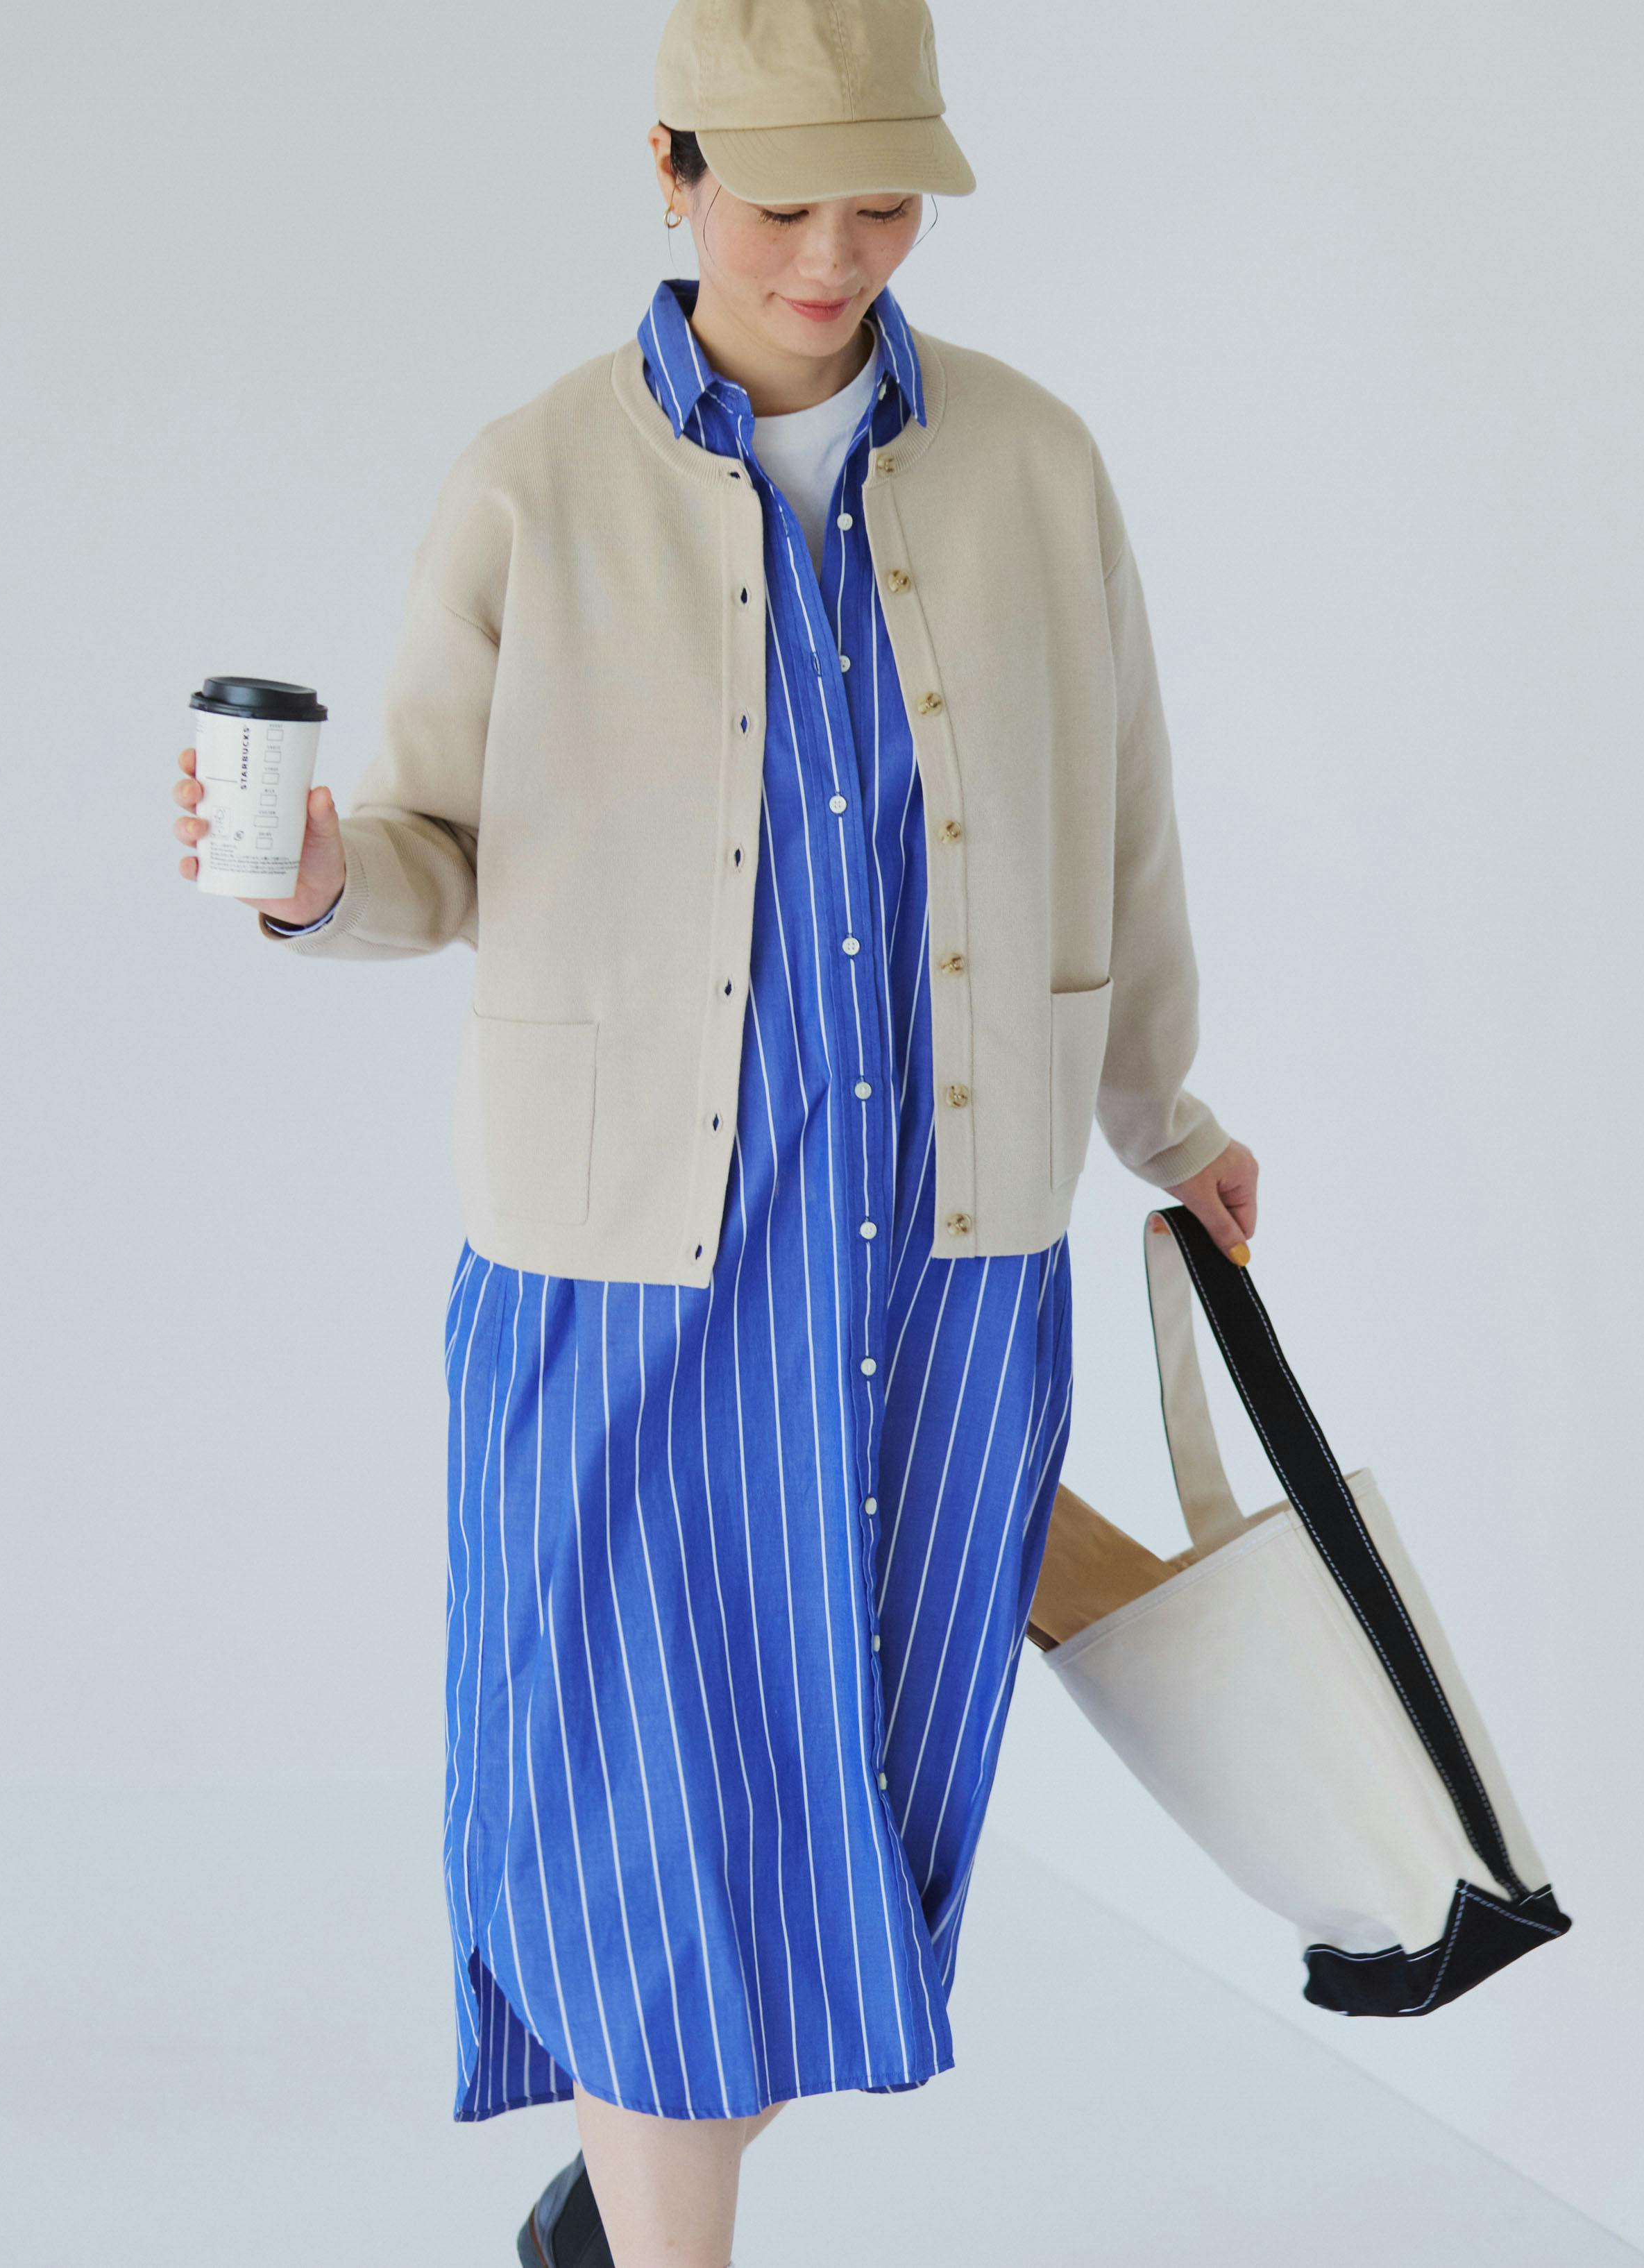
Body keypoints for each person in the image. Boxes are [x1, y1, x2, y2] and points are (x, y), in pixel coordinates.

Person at [174, 1, 1258, 2258]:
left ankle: (614, 2204)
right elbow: (434, 841)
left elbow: (1123, 821)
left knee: (854, 1830)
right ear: (665, 167)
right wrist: (317, 878)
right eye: (779, 205)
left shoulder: (1034, 465)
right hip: (623, 1262)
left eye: (883, 206)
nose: (833, 256)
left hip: (942, 1260)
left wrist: (1168, 1120)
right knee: (639, 1822)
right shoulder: (530, 482)